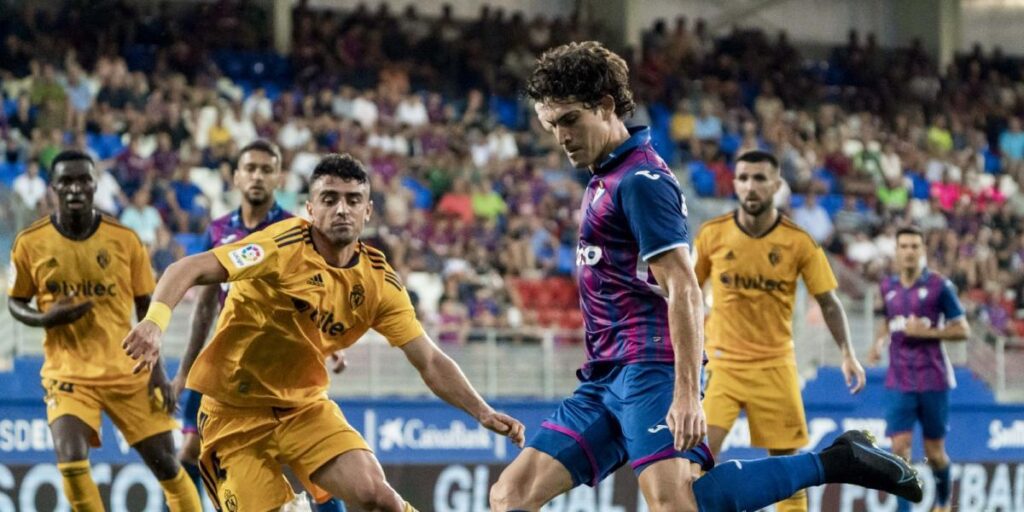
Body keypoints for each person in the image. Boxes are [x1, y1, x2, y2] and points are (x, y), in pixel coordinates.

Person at [488, 41, 922, 512]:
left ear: (606, 106)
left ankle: (835, 463)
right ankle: (839, 459)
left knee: (675, 505)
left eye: (570, 120)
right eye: (552, 125)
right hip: (605, 374)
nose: (561, 136)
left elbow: (685, 289)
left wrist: (686, 392)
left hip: (651, 366)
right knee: (510, 496)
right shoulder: (605, 175)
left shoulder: (641, 181)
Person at [122, 153, 525, 511]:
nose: (341, 209)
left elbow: (430, 360)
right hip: (233, 416)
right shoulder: (280, 245)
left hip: (304, 408)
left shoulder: (379, 282)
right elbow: (186, 268)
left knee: (377, 496)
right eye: (329, 199)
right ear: (311, 208)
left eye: (353, 200)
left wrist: (482, 411)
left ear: (368, 211)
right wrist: (154, 322)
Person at [7, 150, 201, 510]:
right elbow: (15, 302)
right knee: (70, 458)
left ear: (96, 184)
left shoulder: (124, 240)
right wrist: (47, 319)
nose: (75, 188)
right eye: (66, 181)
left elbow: (147, 306)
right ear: (53, 188)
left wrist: (157, 372)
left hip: (128, 371)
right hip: (68, 373)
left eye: (83, 180)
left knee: (168, 467)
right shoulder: (30, 243)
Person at [170, 139, 347, 511]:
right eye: (250, 168)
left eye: (266, 170)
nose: (257, 176)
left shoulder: (296, 230)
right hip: (226, 366)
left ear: (278, 177)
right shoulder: (218, 230)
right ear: (235, 176)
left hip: (283, 369)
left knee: (315, 469)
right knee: (188, 450)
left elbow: (322, 293)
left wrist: (333, 343)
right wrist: (185, 370)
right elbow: (204, 307)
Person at [692, 149, 868, 512]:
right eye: (743, 178)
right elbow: (686, 295)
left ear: (776, 185)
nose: (750, 186)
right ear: (735, 183)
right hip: (721, 366)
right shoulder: (712, 234)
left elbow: (830, 302)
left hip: (775, 365)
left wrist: (848, 353)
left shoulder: (798, 241)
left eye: (759, 179)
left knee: (790, 470)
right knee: (693, 463)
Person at [868, 226, 970, 512]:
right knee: (899, 450)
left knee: (935, 454)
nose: (910, 251)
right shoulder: (887, 286)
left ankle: (942, 503)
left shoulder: (940, 286)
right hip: (899, 379)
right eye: (904, 246)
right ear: (897, 251)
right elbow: (890, 320)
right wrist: (877, 343)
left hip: (933, 378)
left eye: (915, 246)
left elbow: (963, 329)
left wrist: (927, 333)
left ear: (923, 250)